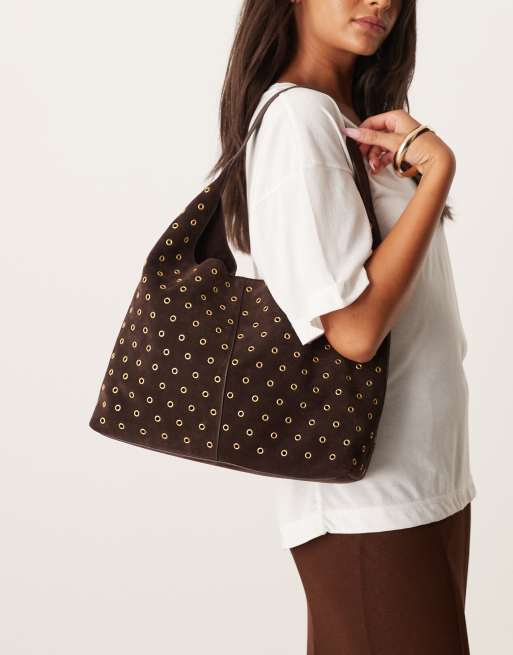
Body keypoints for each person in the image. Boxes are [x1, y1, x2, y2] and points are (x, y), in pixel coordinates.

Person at [208, 1, 476, 652]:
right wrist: (437, 173)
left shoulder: (349, 118)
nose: (381, 1)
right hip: (369, 499)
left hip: (423, 480)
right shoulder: (298, 118)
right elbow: (353, 331)